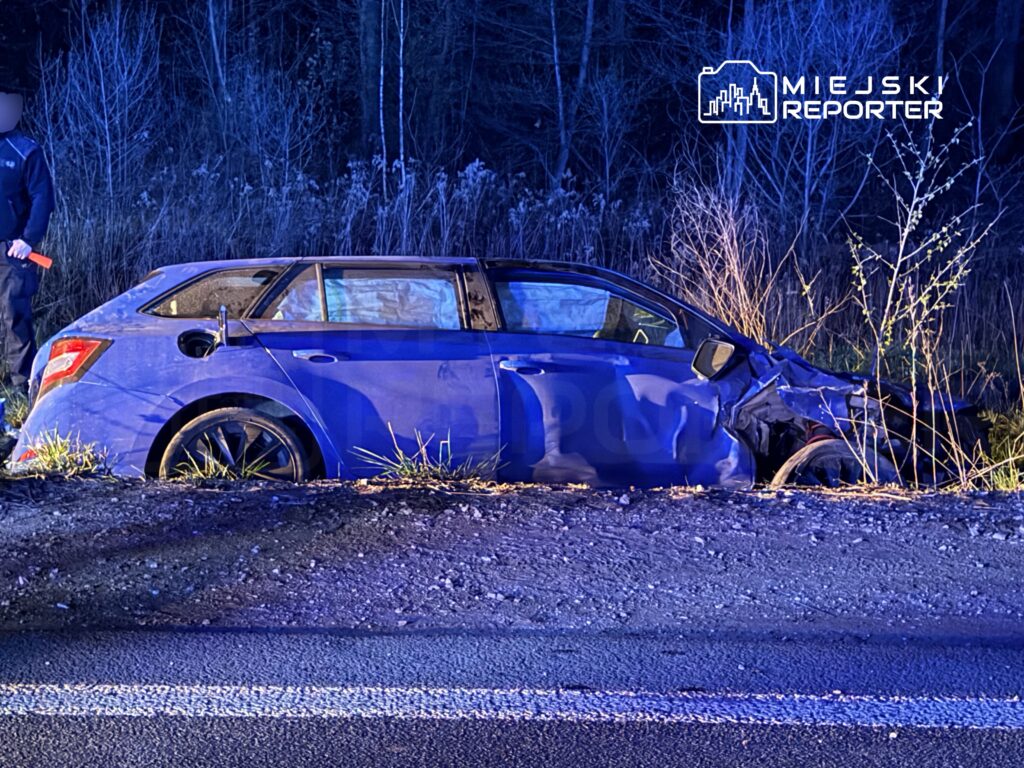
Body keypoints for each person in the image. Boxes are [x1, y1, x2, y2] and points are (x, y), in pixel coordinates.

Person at [0, 82, 54, 396]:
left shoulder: (25, 150)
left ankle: (22, 387)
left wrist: (28, 240)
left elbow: (43, 198)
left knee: (14, 318)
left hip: (13, 251)